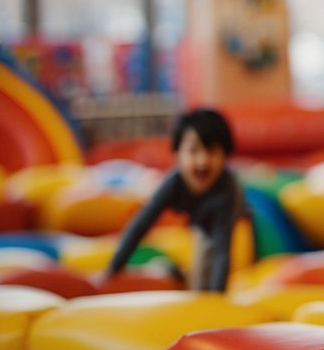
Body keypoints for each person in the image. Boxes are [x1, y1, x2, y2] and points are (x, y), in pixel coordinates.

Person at [103, 108, 251, 292]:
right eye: (193, 151)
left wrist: (217, 301)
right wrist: (112, 270)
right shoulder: (173, 183)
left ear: (225, 157)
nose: (202, 161)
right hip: (200, 222)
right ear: (177, 155)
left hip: (234, 222)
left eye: (212, 151)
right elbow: (140, 224)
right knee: (200, 269)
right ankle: (177, 274)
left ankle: (190, 280)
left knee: (208, 259)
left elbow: (222, 251)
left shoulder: (227, 191)